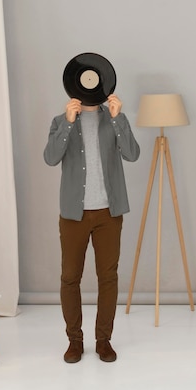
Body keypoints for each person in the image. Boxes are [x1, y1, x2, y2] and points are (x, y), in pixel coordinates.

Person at [44, 94, 140, 363]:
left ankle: (103, 340)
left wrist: (117, 117)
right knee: (69, 277)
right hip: (74, 215)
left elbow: (133, 154)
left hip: (109, 213)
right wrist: (67, 122)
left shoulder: (113, 119)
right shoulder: (60, 121)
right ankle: (74, 340)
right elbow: (51, 158)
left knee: (108, 277)